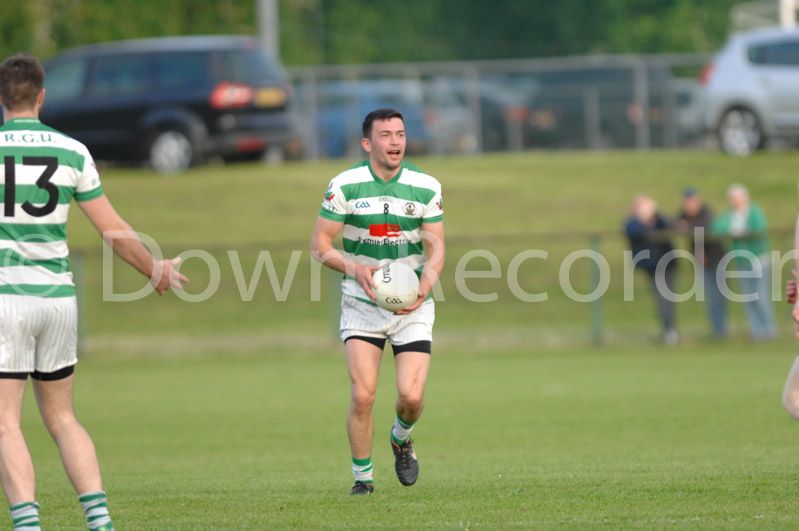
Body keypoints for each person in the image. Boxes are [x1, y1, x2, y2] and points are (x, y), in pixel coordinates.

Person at [0, 54, 187, 531]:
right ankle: (100, 521)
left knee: (6, 422)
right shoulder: (73, 151)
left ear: (2, 99)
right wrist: (155, 270)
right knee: (62, 417)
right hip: (58, 300)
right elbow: (113, 230)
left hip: (5, 299)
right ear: (42, 97)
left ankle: (27, 525)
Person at [310, 109, 445, 495]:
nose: (395, 141)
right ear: (367, 143)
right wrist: (355, 269)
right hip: (362, 303)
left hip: (412, 307)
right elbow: (320, 245)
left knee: (411, 396)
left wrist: (423, 288)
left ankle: (401, 437)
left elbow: (436, 248)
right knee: (363, 394)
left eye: (400, 133)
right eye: (386, 135)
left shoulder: (426, 186)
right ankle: (363, 480)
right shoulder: (345, 185)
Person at [712, 184, 776, 340]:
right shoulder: (729, 215)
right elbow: (717, 228)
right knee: (747, 297)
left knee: (760, 295)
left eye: (738, 198)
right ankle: (756, 330)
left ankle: (769, 329)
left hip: (758, 259)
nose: (735, 201)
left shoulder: (754, 212)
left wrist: (743, 234)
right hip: (741, 261)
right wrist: (732, 232)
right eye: (732, 198)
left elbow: (760, 230)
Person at [624, 194, 679, 344]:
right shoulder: (633, 223)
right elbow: (632, 231)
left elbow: (670, 226)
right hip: (652, 267)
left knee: (667, 298)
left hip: (667, 264)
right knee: (661, 299)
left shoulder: (659, 220)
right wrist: (643, 219)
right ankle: (668, 330)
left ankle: (670, 330)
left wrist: (655, 215)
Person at [675, 188, 728, 338]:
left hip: (717, 260)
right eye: (687, 202)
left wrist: (687, 226)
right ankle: (716, 330)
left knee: (718, 296)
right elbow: (674, 223)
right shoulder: (684, 214)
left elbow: (704, 226)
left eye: (692, 201)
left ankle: (721, 330)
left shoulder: (706, 212)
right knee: (709, 297)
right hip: (701, 263)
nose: (689, 205)